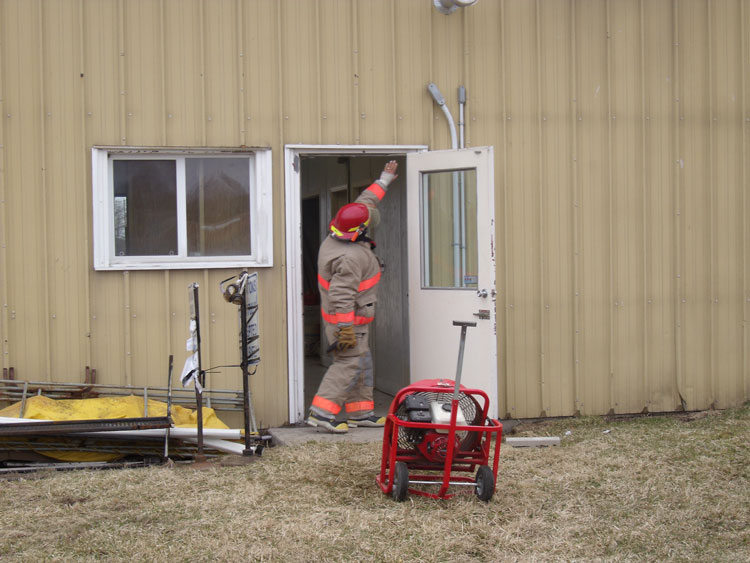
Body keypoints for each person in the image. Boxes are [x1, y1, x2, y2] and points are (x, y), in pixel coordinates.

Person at [306, 160, 398, 433]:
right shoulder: (350, 257)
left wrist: (385, 178)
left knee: (361, 362)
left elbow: (364, 202)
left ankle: (361, 412)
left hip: (354, 322)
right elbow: (341, 296)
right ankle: (321, 414)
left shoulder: (339, 235)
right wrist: (345, 329)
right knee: (347, 364)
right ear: (358, 231)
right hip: (346, 323)